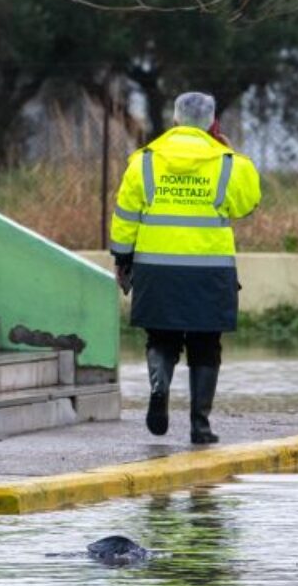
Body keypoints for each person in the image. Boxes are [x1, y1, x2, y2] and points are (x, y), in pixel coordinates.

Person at [109, 91, 261, 444]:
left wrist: (122, 259)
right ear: (212, 123)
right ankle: (200, 426)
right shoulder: (227, 161)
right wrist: (231, 150)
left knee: (161, 336)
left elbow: (125, 216)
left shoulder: (145, 160)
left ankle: (159, 391)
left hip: (155, 267)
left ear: (175, 120)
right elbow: (249, 202)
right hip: (209, 269)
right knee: (206, 343)